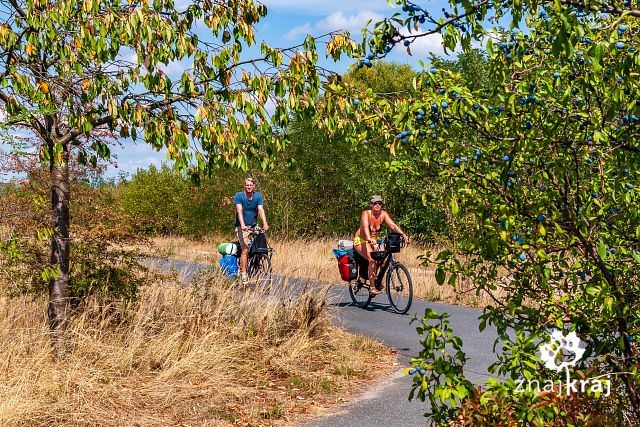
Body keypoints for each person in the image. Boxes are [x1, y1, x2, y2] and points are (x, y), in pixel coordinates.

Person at [353, 195, 408, 295]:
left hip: (374, 240)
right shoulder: (366, 213)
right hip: (361, 240)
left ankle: (377, 279)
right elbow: (365, 227)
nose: (378, 205)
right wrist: (369, 239)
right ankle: (372, 287)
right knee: (372, 259)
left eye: (380, 203)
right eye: (375, 203)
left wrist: (402, 234)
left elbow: (393, 225)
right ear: (371, 204)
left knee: (384, 259)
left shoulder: (383, 214)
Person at [234, 177, 269, 284]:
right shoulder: (239, 196)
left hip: (254, 225)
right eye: (247, 185)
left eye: (251, 185)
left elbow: (260, 210)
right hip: (241, 227)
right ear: (244, 186)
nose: (249, 187)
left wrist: (265, 224)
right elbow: (239, 211)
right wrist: (243, 225)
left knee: (262, 244)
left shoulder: (257, 196)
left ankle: (258, 262)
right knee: (245, 249)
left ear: (254, 186)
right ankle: (244, 274)